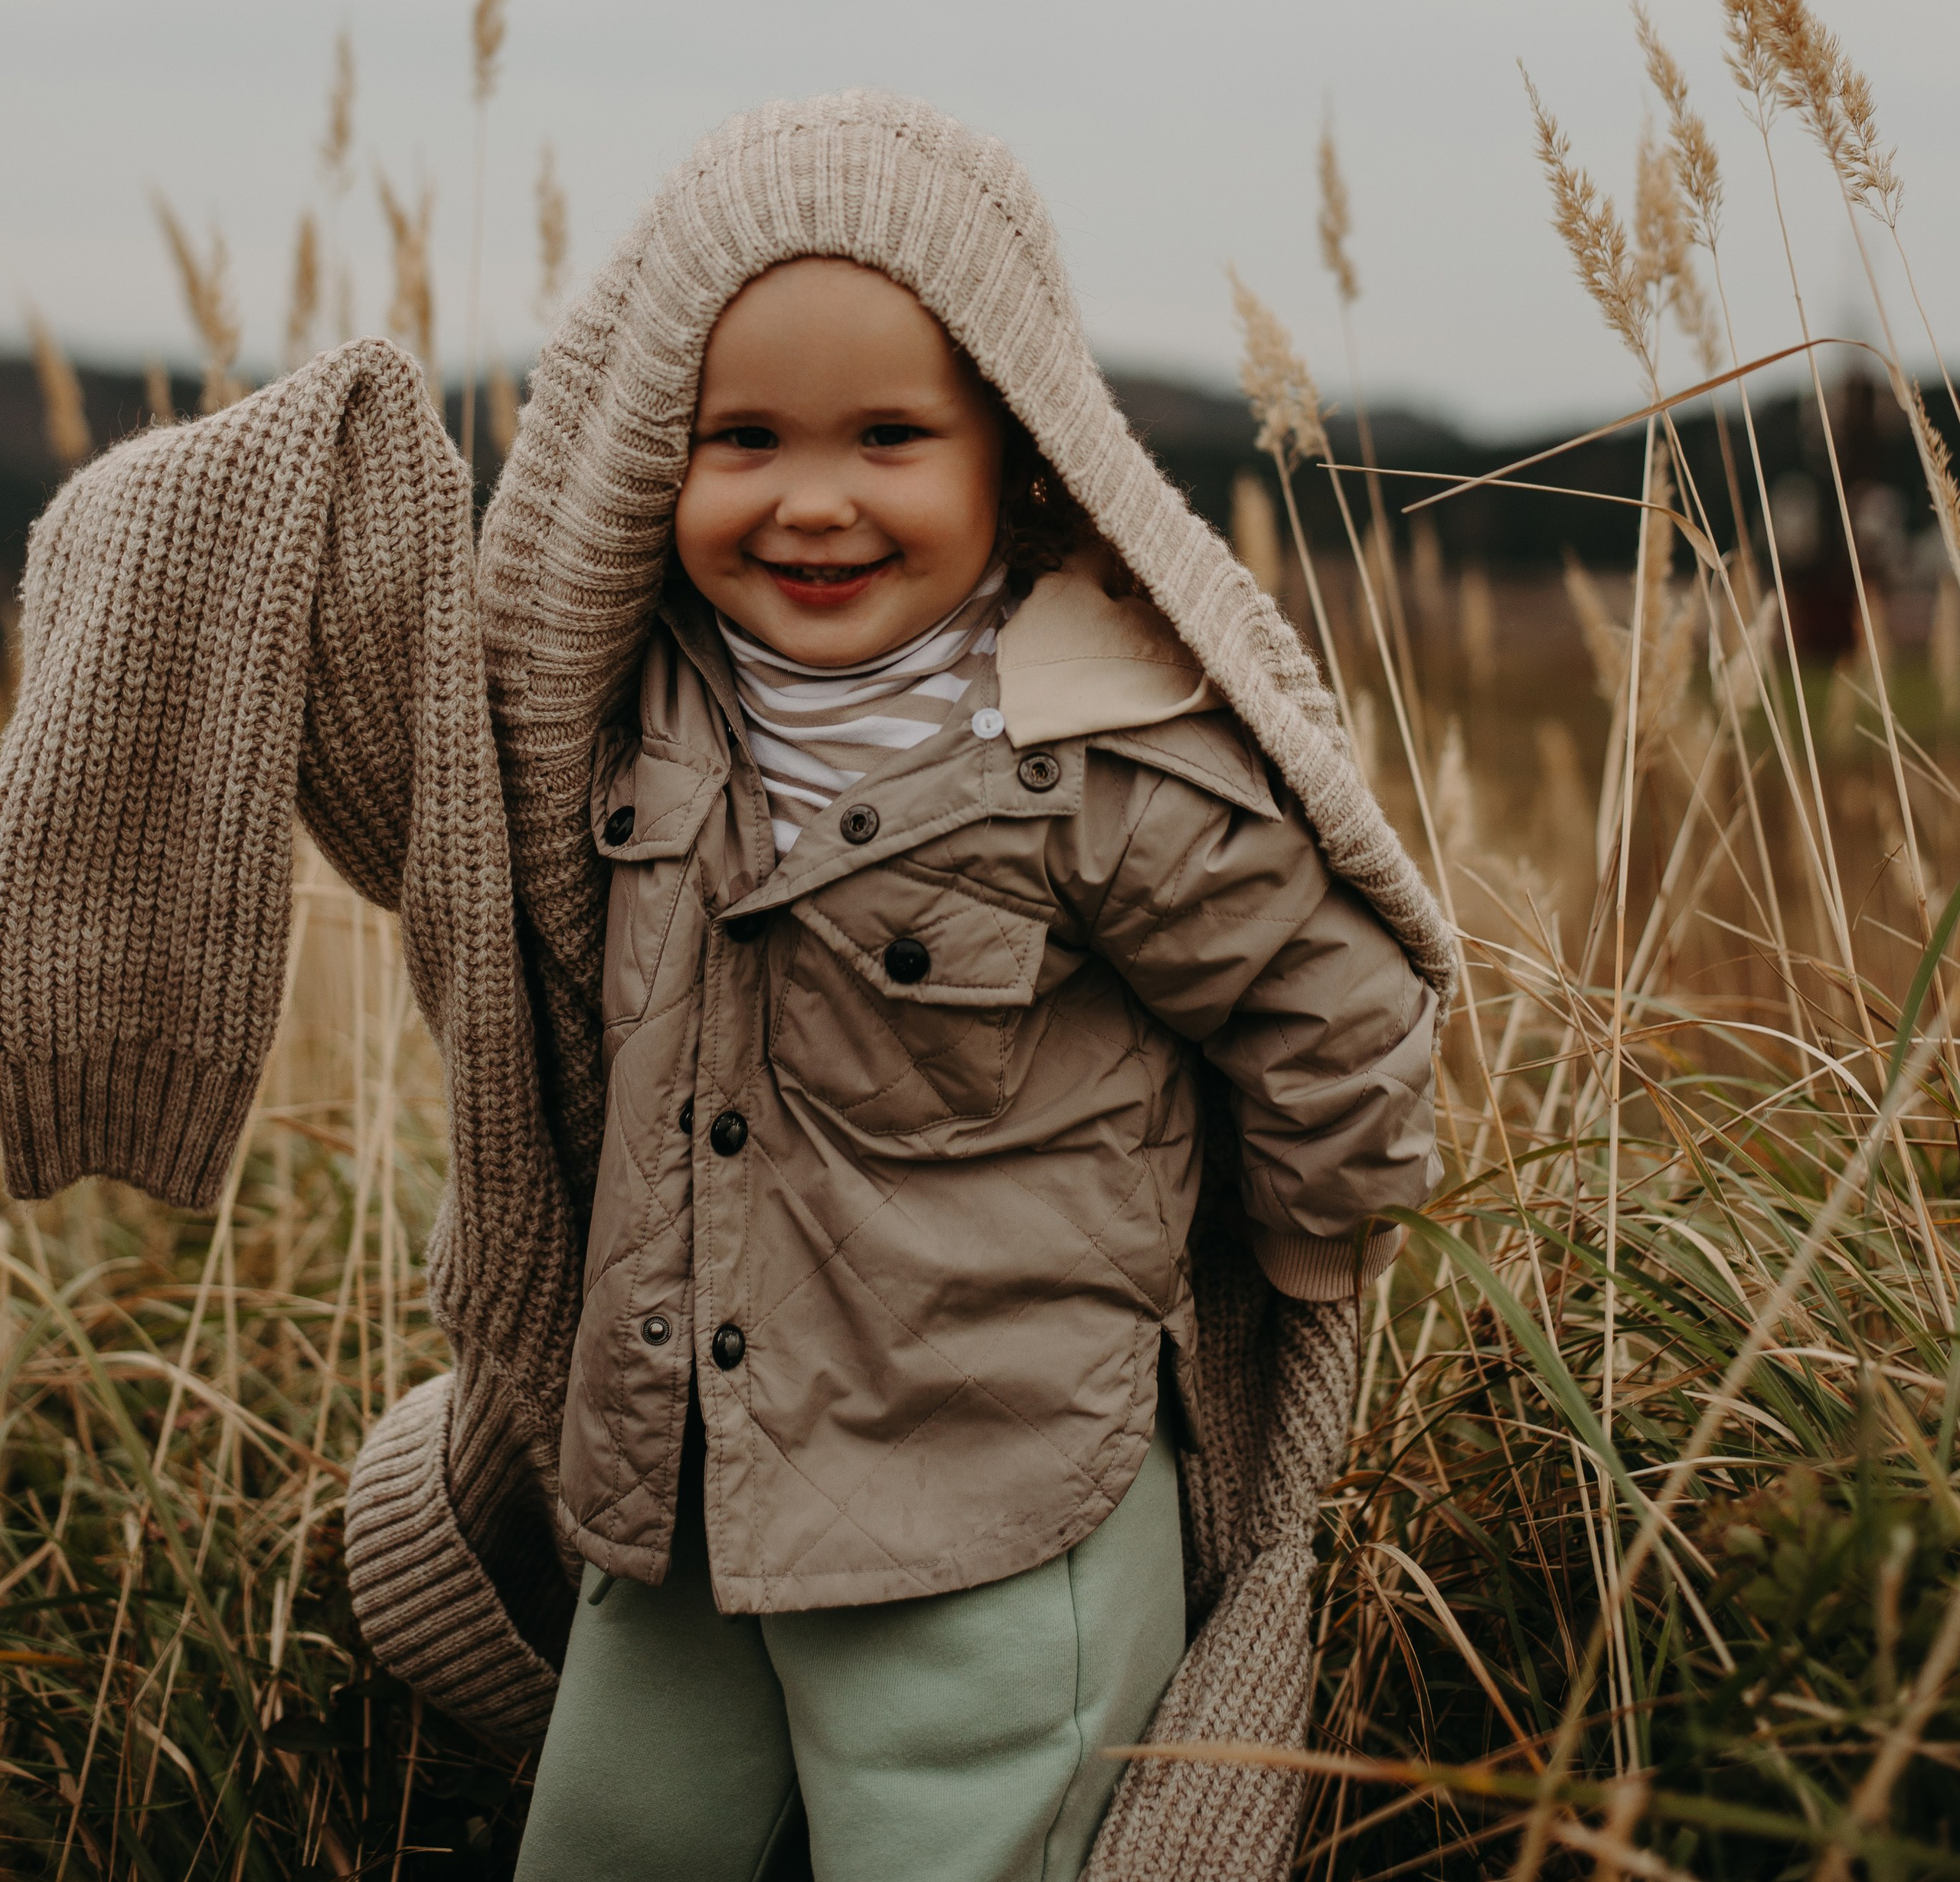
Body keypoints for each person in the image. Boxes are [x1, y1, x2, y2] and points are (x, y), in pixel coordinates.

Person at [0, 92, 1454, 1882]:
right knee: (611, 1844)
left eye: (889, 436)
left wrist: (1308, 1242)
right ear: (646, 457)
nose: (813, 497)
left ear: (1012, 444)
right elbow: (438, 779)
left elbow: (1329, 1005)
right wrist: (243, 511)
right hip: (677, 1479)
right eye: (740, 435)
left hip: (987, 1503)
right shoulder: (629, 708)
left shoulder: (1096, 757)